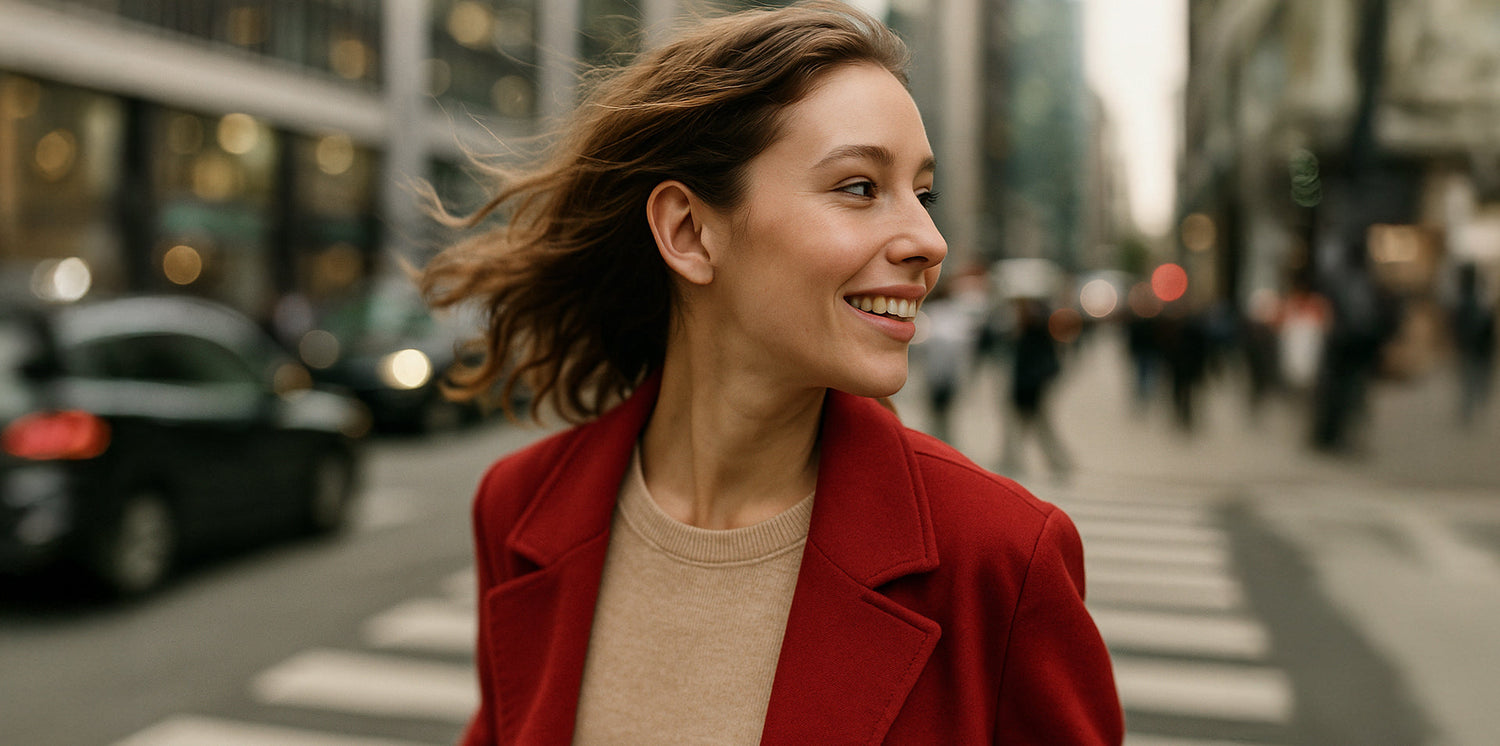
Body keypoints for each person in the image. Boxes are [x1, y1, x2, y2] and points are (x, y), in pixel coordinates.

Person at [420, 3, 1121, 743]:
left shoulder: (1001, 559)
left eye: (924, 194)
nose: (929, 240)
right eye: (859, 187)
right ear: (689, 233)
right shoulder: (519, 508)